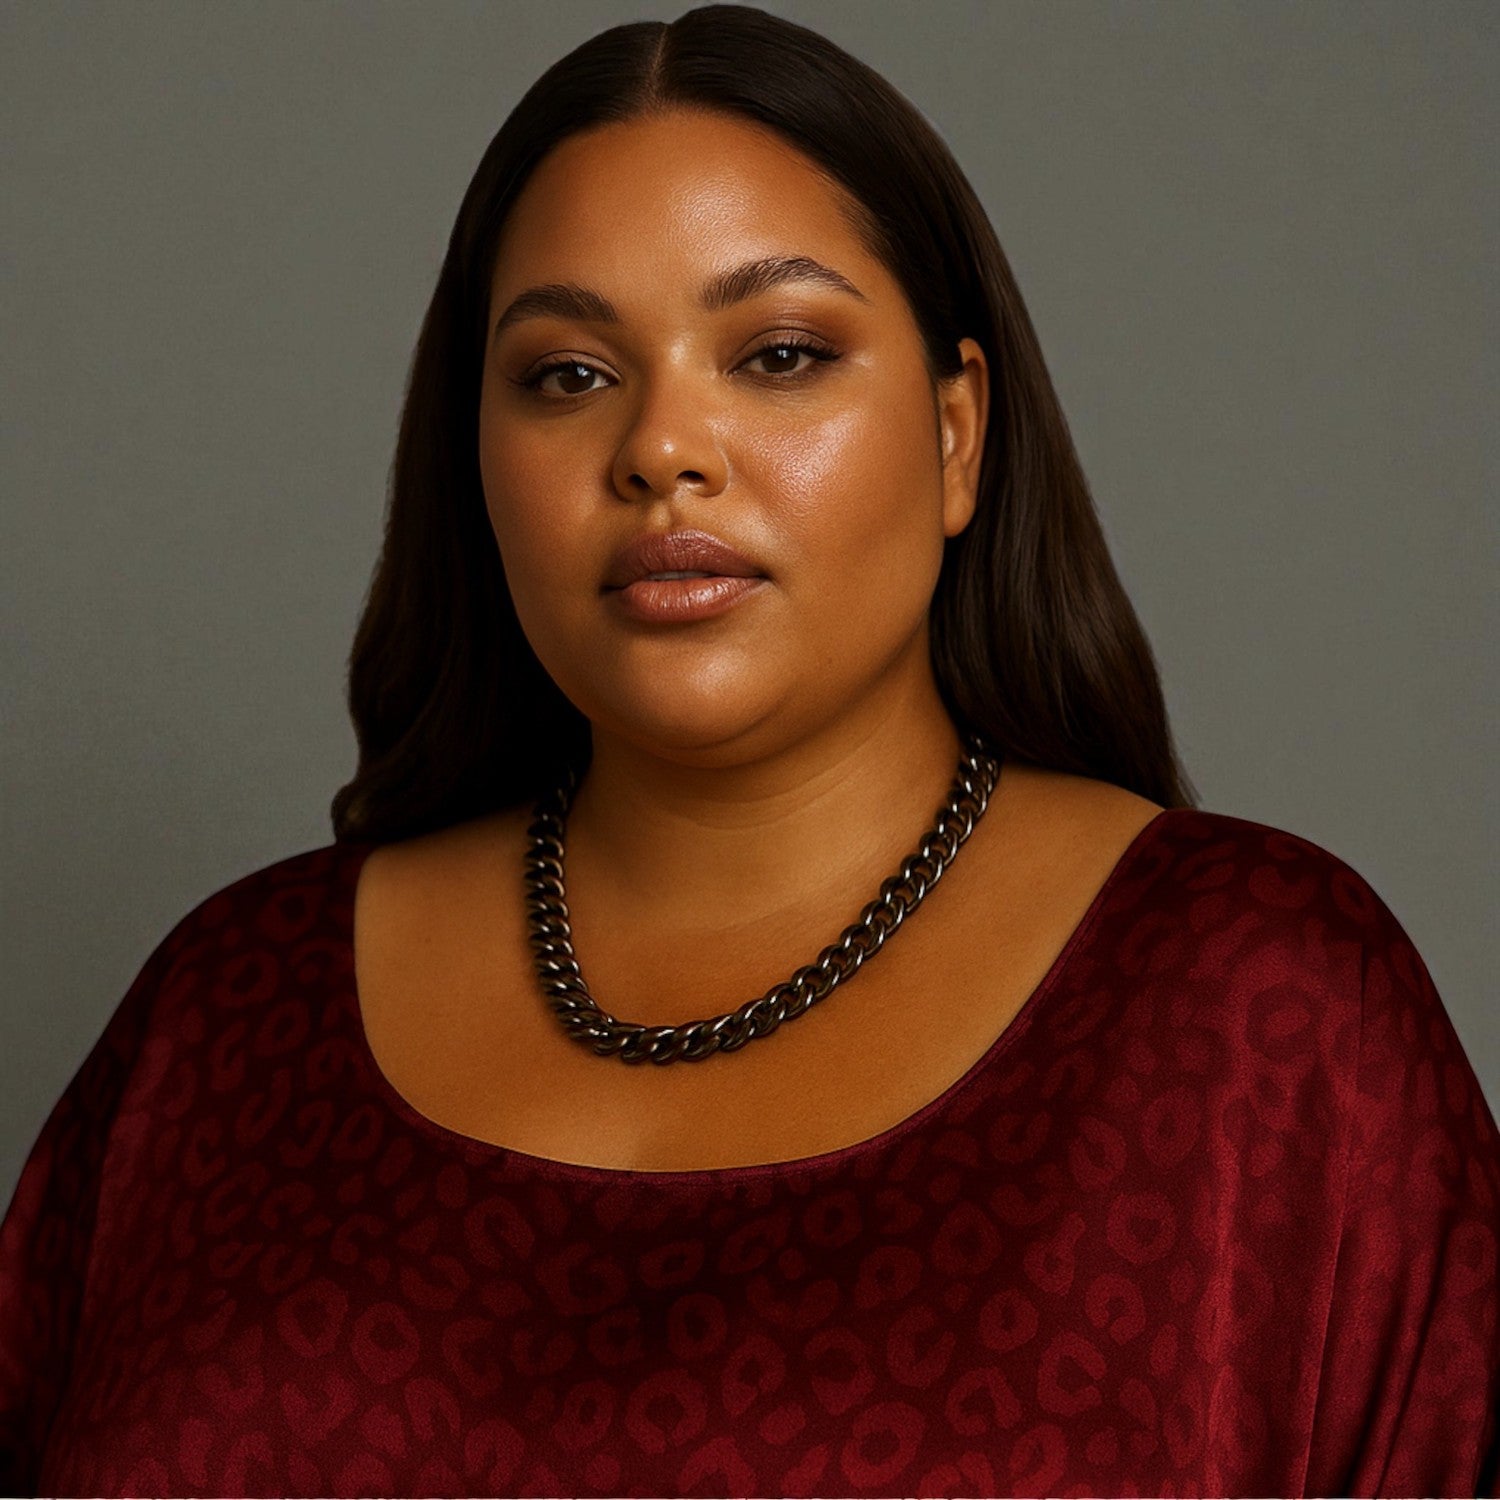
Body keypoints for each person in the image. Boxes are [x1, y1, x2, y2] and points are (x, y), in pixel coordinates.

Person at [2, 5, 1495, 1495]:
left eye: (778, 353)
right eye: (568, 374)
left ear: (959, 430)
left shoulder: (1261, 1015)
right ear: (476, 456)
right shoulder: (226, 1018)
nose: (664, 447)